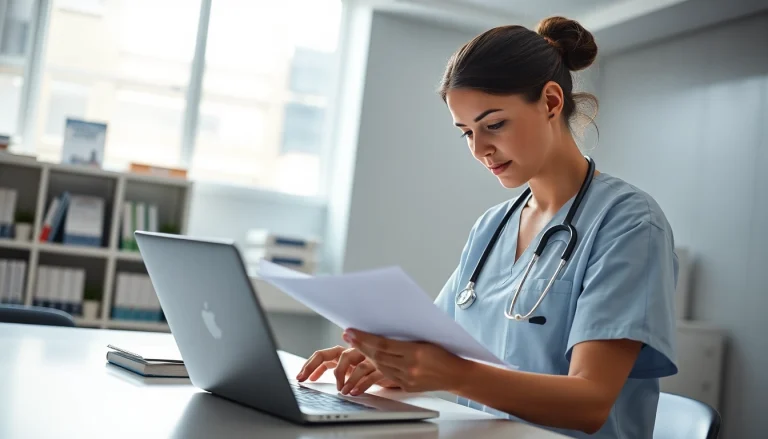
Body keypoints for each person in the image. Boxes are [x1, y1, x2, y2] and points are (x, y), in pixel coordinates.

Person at [297, 16, 678, 438]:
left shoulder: (629, 224)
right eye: (466, 133)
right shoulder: (492, 226)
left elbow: (589, 403)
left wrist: (452, 375)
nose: (480, 150)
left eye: (494, 124)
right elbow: (435, 348)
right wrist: (388, 361)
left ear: (551, 102)